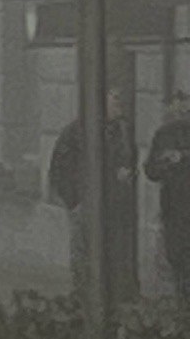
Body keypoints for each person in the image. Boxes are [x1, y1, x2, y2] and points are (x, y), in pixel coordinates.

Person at [52, 86, 136, 300]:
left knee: (113, 253)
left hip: (115, 205)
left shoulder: (123, 132)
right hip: (85, 204)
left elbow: (130, 161)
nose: (119, 104)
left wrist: (128, 174)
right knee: (84, 253)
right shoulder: (76, 131)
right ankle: (84, 297)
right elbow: (59, 169)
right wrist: (74, 202)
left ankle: (111, 297)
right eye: (114, 100)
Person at [145, 92, 190, 299]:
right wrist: (165, 162)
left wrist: (183, 156)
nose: (181, 112)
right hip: (174, 205)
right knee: (176, 255)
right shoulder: (163, 134)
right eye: (177, 108)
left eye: (185, 107)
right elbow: (151, 170)